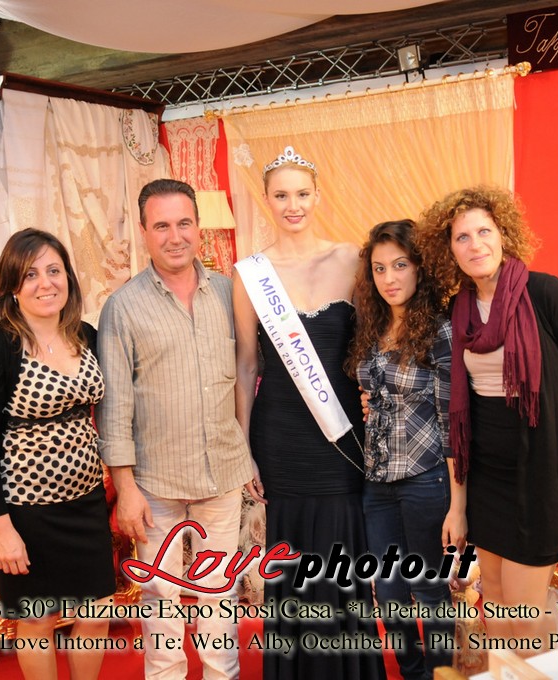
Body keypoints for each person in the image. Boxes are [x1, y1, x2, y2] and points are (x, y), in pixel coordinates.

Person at [417, 186, 558, 654]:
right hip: (487, 474)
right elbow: (453, 399)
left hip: (540, 470)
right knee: (496, 601)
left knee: (525, 619)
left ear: (503, 234)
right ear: (450, 250)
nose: (476, 245)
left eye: (484, 231)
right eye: (462, 237)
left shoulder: (546, 294)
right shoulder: (459, 309)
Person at [234, 146, 384, 679]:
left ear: (318, 196)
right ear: (266, 200)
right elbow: (246, 363)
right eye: (281, 195)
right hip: (280, 438)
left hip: (341, 435)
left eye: (302, 194)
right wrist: (245, 449)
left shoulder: (352, 260)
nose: (292, 205)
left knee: (344, 554)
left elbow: (374, 347)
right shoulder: (251, 274)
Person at [97, 179, 251, 680]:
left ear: (199, 228)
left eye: (184, 223)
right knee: (161, 595)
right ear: (144, 232)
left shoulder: (229, 294)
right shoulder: (122, 308)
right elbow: (114, 406)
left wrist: (249, 453)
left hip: (222, 472)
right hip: (154, 483)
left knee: (219, 593)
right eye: (161, 225)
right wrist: (125, 489)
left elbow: (249, 374)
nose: (175, 236)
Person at [0, 228, 115, 680]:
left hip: (87, 502)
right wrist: (2, 530)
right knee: (37, 621)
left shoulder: (86, 335)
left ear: (68, 277)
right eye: (30, 274)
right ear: (13, 286)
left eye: (54, 270)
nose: (46, 283)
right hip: (27, 511)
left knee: (97, 613)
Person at [347, 219, 455, 679]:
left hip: (426, 478)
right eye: (379, 269)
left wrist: (458, 501)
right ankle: (413, 672)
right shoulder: (371, 329)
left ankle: (441, 674)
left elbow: (451, 420)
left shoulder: (440, 331)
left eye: (400, 265)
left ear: (419, 268)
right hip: (377, 482)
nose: (389, 278)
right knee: (388, 593)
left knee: (428, 591)